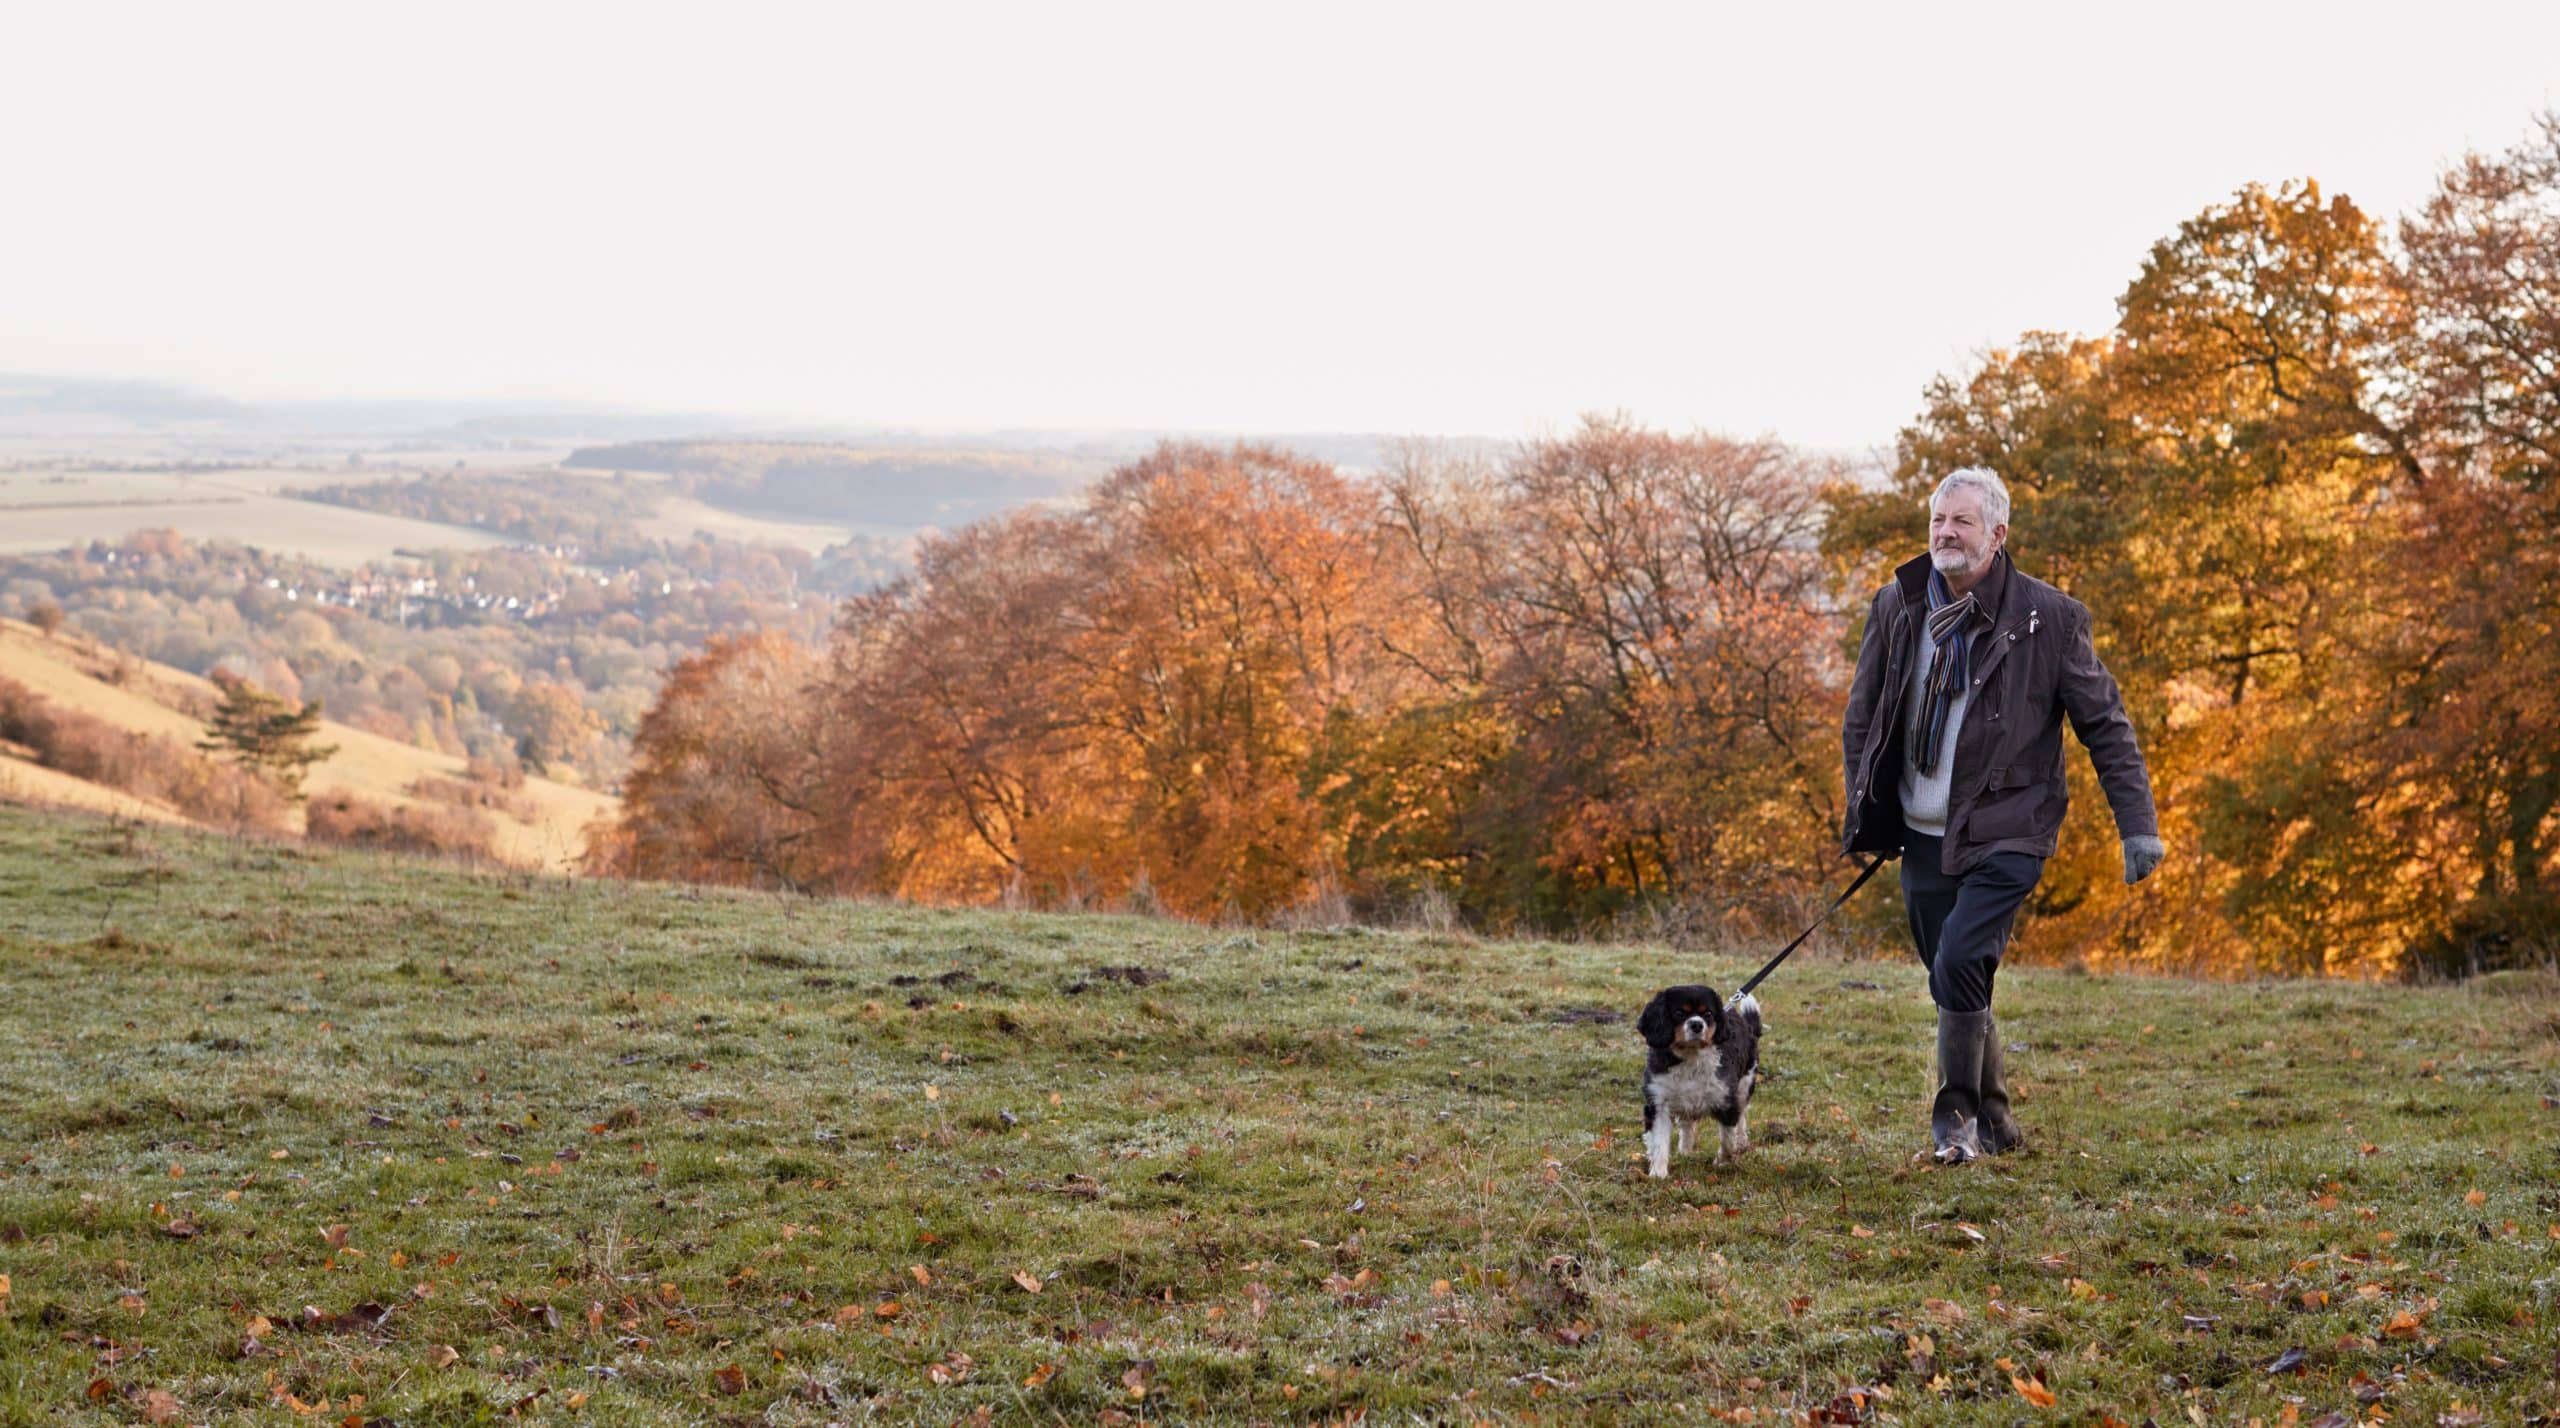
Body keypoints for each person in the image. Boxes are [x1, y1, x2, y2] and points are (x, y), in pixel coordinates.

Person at [1840, 467, 2163, 1164]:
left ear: (1997, 533)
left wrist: (2136, 826)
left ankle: (1954, 1124)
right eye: (1938, 522)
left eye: (1961, 522)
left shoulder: (2048, 618)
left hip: (2010, 827)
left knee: (1958, 958)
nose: (1946, 534)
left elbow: (2105, 724)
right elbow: (1863, 715)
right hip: (1923, 834)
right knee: (1953, 977)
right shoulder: (1898, 606)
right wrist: (1862, 806)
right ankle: (1998, 1119)